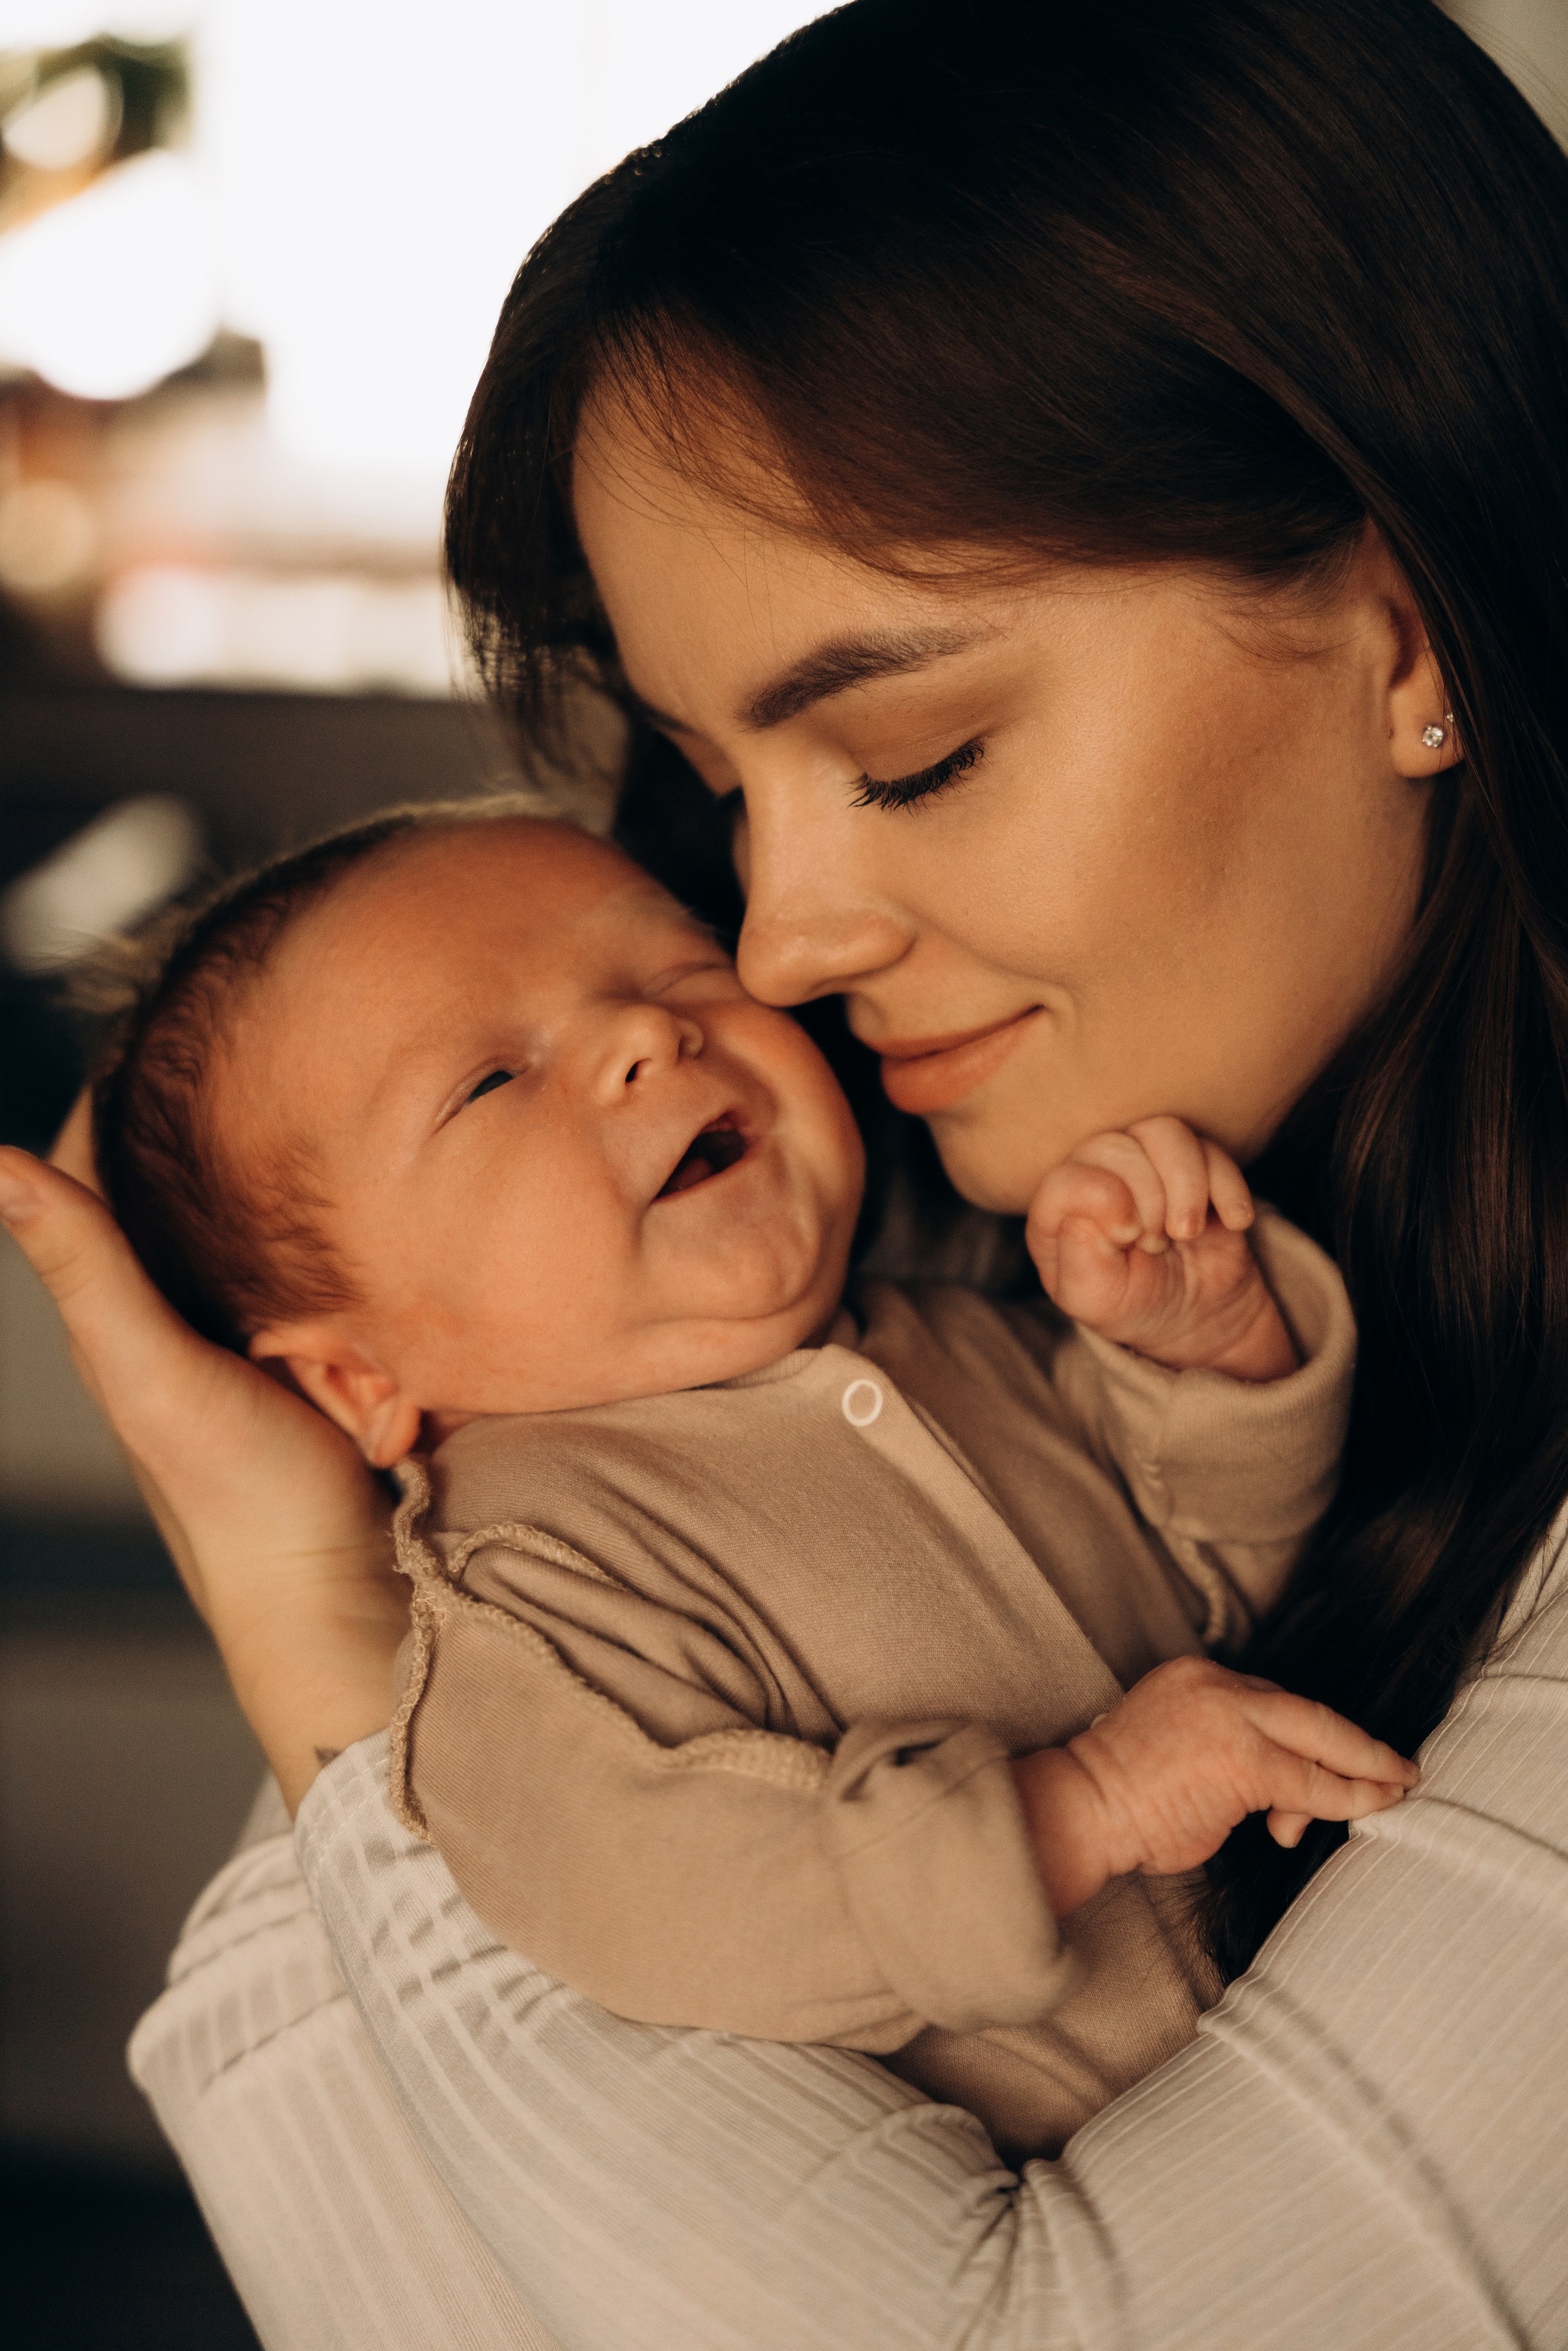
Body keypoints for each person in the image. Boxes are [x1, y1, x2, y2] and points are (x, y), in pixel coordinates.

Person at [1, 0, 1567, 2341]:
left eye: (913, 755)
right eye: (726, 789)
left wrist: (331, 1696)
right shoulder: (730, 1369)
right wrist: (336, 1628)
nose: (776, 940)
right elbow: (298, 2081)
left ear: (1410, 630)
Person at [87, 798, 1400, 2161]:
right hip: (1132, 2194)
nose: (649, 1033)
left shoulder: (944, 1340)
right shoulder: (523, 1596)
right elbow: (668, 1898)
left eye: (680, 973)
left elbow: (1223, 1583)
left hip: (1360, 2035)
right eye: (491, 1078)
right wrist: (1092, 1807)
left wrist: (1200, 1348)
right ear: (354, 1382)